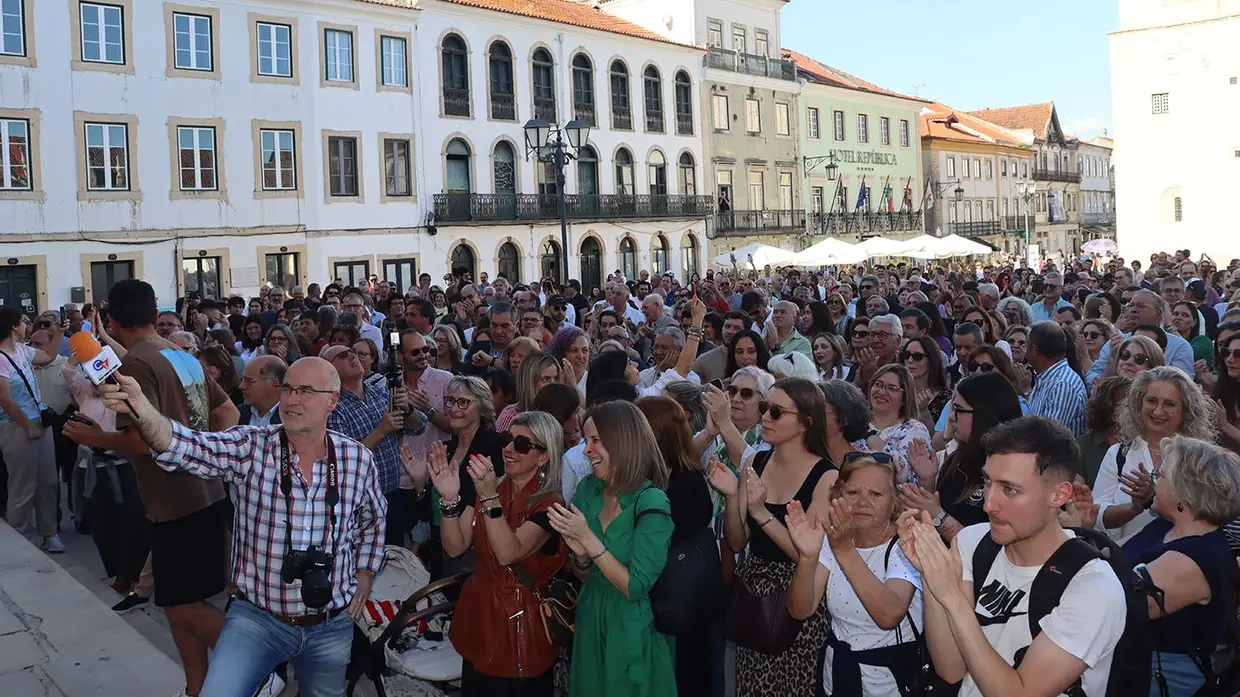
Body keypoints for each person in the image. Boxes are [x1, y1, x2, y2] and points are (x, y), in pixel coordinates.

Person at [97, 357, 386, 697]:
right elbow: (185, 446)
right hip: (256, 621)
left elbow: (373, 520)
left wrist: (365, 572)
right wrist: (143, 411)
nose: (292, 400)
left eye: (306, 391)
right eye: (288, 389)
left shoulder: (357, 459)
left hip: (330, 625)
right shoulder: (252, 446)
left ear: (332, 400)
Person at [899, 416, 1128, 697]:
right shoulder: (973, 542)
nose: (989, 504)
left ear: (1059, 495)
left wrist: (952, 597)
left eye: (1009, 489)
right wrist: (929, 568)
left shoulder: (1093, 587)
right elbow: (951, 668)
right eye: (988, 482)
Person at [104, 279, 242, 697]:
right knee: (181, 603)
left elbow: (140, 439)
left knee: (179, 606)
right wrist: (204, 452)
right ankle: (196, 687)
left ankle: (259, 664)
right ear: (154, 315)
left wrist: (93, 437)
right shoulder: (179, 354)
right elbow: (229, 413)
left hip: (174, 501)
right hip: (205, 493)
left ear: (112, 320)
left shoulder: (137, 364)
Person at [710, 378, 837, 697]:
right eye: (766, 408)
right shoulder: (756, 462)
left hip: (797, 599)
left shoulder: (827, 476)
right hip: (754, 595)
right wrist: (731, 497)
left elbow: (807, 554)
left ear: (805, 423)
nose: (765, 417)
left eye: (777, 412)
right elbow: (737, 542)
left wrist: (760, 513)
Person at [426, 411, 568, 696]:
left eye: (522, 445)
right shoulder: (491, 486)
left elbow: (508, 553)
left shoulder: (550, 504)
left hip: (520, 624)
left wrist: (489, 497)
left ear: (544, 456)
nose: (509, 449)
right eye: (507, 439)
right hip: (481, 613)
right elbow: (455, 547)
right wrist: (450, 500)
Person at [547, 400, 676, 697]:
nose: (586, 449)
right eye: (586, 440)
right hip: (591, 615)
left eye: (595, 440)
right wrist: (580, 556)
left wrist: (588, 540)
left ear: (623, 442)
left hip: (633, 626)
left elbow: (635, 587)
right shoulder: (587, 489)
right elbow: (584, 574)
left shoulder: (651, 500)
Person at [784, 454, 924, 697]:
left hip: (889, 685)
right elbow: (800, 610)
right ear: (838, 497)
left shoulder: (905, 545)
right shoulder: (835, 538)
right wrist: (807, 558)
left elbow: (889, 615)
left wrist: (844, 550)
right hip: (836, 678)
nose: (863, 502)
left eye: (876, 494)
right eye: (852, 492)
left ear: (894, 503)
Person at [1119, 436, 1240, 697]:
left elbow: (1124, 602)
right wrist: (1081, 527)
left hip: (1161, 679)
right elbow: (1111, 556)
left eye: (1161, 476)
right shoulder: (1165, 526)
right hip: (1134, 664)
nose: (1154, 482)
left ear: (1184, 494)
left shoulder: (1199, 556)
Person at [636, 396, 718, 697]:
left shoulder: (688, 483)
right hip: (664, 604)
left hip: (682, 606)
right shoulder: (663, 473)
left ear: (655, 435)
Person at [1093, 366, 1217, 546]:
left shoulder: (1200, 459)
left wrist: (1158, 498)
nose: (1158, 411)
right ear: (1139, 404)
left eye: (1170, 404)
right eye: (1151, 401)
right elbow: (1096, 516)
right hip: (1123, 558)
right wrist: (1134, 508)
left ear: (1187, 410)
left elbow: (1209, 518)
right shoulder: (1119, 454)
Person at [900, 371, 1024, 543]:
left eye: (958, 410)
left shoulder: (1012, 474)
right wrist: (927, 480)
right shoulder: (957, 459)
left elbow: (989, 548)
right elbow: (937, 513)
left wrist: (939, 516)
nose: (951, 418)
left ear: (984, 414)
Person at [0, 307, 66, 551]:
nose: (26, 325)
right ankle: (21, 537)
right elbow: (5, 400)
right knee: (23, 485)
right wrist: (27, 426)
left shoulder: (22, 350)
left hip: (40, 423)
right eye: (23, 321)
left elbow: (47, 356)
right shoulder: (0, 359)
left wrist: (60, 333)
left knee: (48, 482)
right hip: (16, 427)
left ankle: (49, 533)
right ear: (13, 326)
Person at [868, 364, 933, 485]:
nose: (881, 392)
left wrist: (877, 444)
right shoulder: (856, 420)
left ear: (905, 397)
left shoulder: (915, 429)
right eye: (878, 384)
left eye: (892, 388)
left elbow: (908, 478)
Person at [1026, 322, 1087, 436]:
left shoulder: (1063, 384)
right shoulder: (1045, 377)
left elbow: (1050, 437)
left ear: (1034, 350)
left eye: (1025, 347)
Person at [1076, 376, 1131, 487]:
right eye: (1126, 406)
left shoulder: (1142, 445)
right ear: (1108, 407)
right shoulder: (1083, 445)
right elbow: (1077, 489)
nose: (1133, 411)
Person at [902, 335, 952, 431]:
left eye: (917, 356)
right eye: (907, 355)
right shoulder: (896, 390)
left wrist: (924, 411)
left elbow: (940, 438)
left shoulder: (946, 398)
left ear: (932, 360)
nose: (910, 360)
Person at [238, 355, 286, 426]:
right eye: (242, 380)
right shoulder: (238, 414)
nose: (241, 386)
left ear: (274, 383)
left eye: (249, 381)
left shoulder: (290, 416)